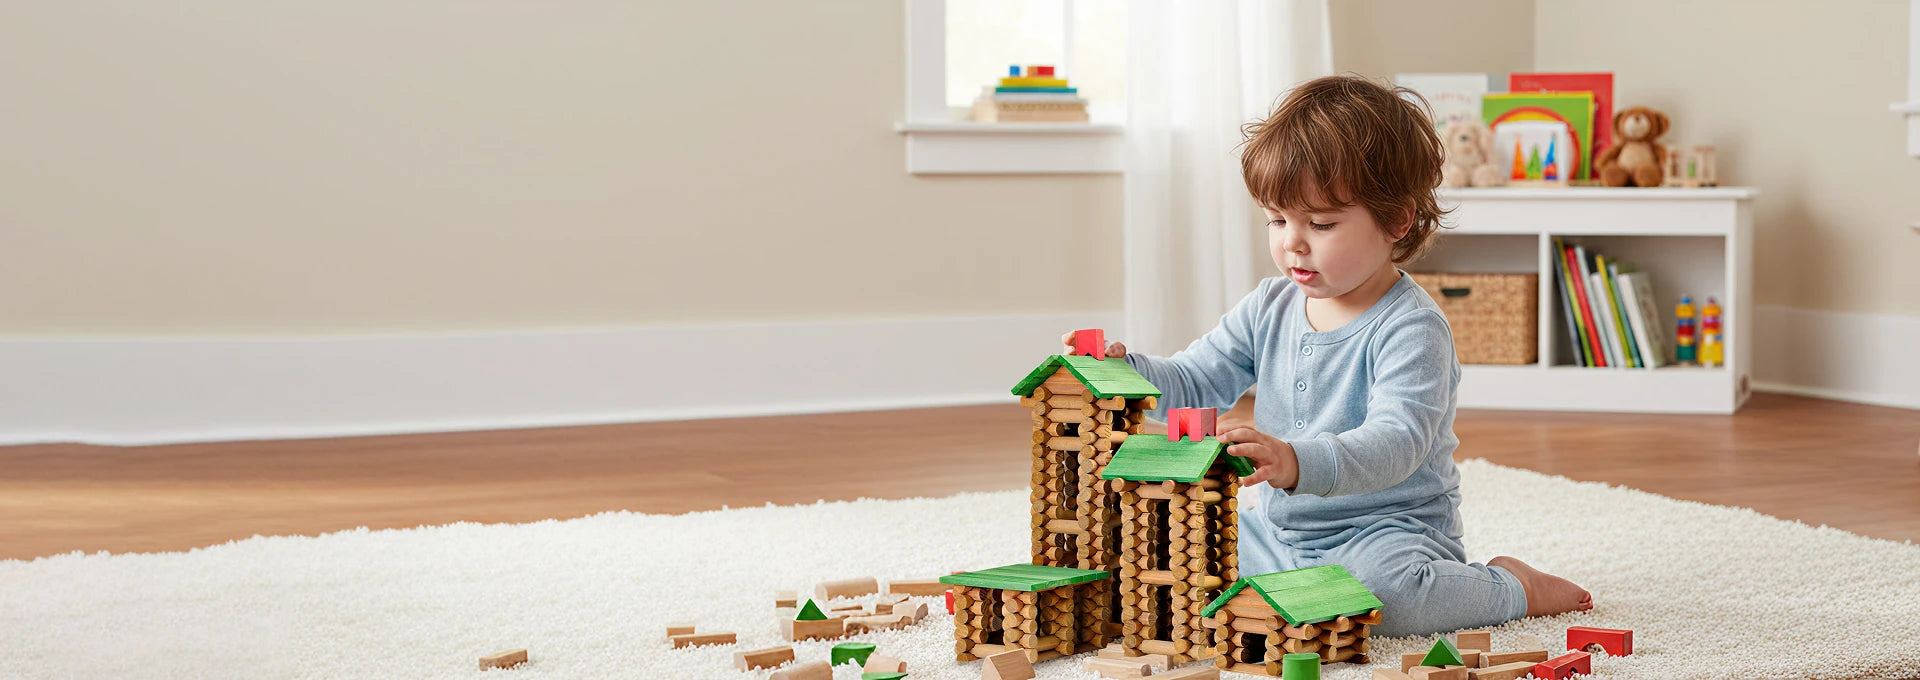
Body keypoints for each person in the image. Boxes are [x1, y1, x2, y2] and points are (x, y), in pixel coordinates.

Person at [1071, 75, 1591, 636]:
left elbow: (1396, 442)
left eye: (1319, 223)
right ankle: (1292, 583)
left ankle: (1513, 585)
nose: (1292, 242)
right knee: (1184, 555)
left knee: (1389, 601)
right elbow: (1197, 377)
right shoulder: (1270, 305)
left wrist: (1295, 460)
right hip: (1282, 530)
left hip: (1386, 532)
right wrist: (1127, 372)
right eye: (1277, 219)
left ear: (1397, 220)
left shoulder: (1413, 327)